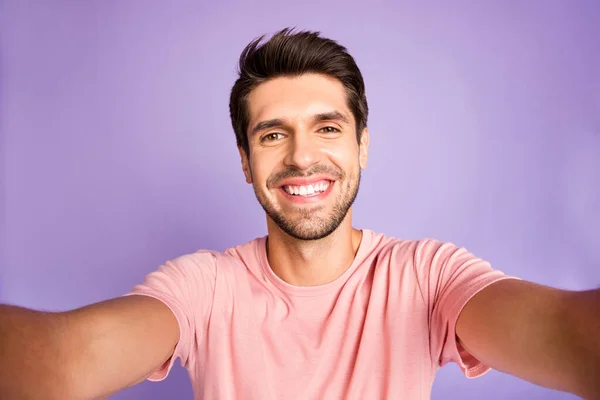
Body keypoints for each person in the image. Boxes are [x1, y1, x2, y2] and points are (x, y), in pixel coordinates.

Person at [1, 28, 598, 400]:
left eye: (328, 128)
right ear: (244, 160)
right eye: (272, 135)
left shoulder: (428, 274)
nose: (302, 156)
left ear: (362, 144)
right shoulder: (202, 286)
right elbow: (66, 360)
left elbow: (564, 336)